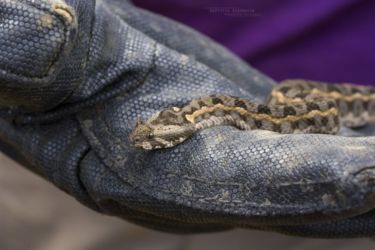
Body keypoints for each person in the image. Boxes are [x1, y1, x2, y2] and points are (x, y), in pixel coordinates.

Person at [0, 0, 374, 238]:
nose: (146, 143)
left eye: (152, 140)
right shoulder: (188, 117)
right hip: (55, 167)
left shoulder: (214, 113)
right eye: (149, 139)